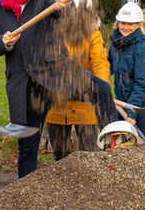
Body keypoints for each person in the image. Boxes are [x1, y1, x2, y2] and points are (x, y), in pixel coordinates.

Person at [0, 0, 117, 176]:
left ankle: (114, 142)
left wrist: (60, 3)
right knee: (28, 144)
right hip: (25, 86)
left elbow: (57, 2)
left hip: (56, 73)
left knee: (102, 89)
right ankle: (26, 196)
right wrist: (4, 42)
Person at [45, 20, 110, 160]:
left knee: (90, 155)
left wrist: (100, 88)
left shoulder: (93, 35)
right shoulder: (52, 34)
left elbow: (101, 63)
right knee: (60, 156)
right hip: (57, 105)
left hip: (85, 104)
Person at [108, 1, 145, 139]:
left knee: (144, 151)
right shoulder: (115, 45)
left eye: (130, 24)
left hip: (144, 108)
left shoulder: (143, 48)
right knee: (122, 149)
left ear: (138, 25)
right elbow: (107, 69)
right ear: (117, 23)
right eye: (122, 23)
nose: (125, 27)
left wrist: (132, 112)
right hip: (121, 104)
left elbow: (142, 84)